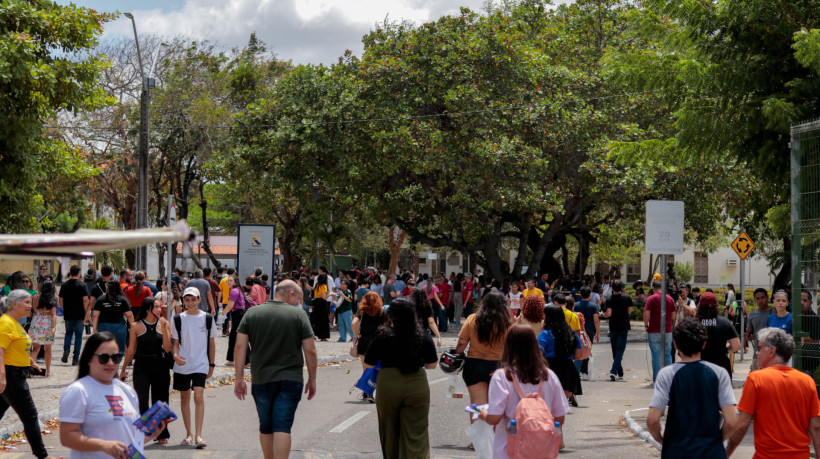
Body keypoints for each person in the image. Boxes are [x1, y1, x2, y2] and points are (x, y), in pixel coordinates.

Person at [232, 280, 317, 459]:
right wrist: (312, 378)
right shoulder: (298, 315)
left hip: (261, 379)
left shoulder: (252, 313)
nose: (298, 303)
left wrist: (239, 378)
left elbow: (240, 347)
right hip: (290, 379)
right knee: (282, 425)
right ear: (290, 294)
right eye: (298, 298)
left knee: (266, 426)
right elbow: (310, 349)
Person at [59, 332, 168, 458]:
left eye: (116, 357)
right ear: (89, 358)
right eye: (104, 358)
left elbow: (130, 439)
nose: (111, 363)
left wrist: (150, 435)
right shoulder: (78, 391)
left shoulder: (128, 391)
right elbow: (67, 437)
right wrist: (103, 446)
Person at [647, 318, 737, 457]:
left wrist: (664, 440)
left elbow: (652, 420)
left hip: (677, 450)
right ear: (704, 344)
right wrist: (716, 441)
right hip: (711, 451)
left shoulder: (667, 374)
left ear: (675, 344)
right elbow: (731, 422)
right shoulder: (719, 373)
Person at [478, 324, 570, 457]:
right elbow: (559, 418)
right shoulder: (548, 375)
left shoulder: (502, 376)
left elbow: (494, 418)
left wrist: (483, 413)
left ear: (508, 346)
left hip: (508, 450)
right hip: (542, 451)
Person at [726, 327, 820, 457]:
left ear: (771, 351)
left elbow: (742, 424)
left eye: (759, 348)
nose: (757, 353)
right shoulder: (807, 381)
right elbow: (816, 426)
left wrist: (725, 453)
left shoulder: (756, 379)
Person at [363, 299, 438, 458]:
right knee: (417, 432)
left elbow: (369, 363)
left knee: (389, 431)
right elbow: (432, 364)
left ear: (391, 315)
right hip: (417, 383)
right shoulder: (422, 335)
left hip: (388, 383)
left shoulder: (382, 334)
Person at [0, 290, 59, 459]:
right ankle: (43, 455)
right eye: (26, 302)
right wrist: (2, 376)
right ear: (14, 304)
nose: (30, 306)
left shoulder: (15, 322)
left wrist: (30, 362)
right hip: (11, 377)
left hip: (16, 373)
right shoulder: (6, 323)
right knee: (31, 416)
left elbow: (17, 347)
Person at [453, 292, 512, 441]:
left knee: (476, 404)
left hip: (474, 364)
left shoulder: (473, 319)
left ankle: (477, 439)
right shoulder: (507, 322)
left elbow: (461, 343)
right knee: (495, 404)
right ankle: (491, 437)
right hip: (498, 366)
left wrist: (457, 356)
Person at [120, 297, 172, 444]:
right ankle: (149, 430)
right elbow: (131, 349)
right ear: (147, 309)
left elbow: (167, 348)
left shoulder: (164, 323)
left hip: (160, 364)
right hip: (141, 364)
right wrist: (123, 368)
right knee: (141, 399)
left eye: (159, 306)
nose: (159, 308)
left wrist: (165, 328)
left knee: (160, 400)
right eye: (156, 306)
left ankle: (162, 433)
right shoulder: (135, 326)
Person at [171, 287, 217, 448]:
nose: (190, 303)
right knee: (184, 398)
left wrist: (211, 364)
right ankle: (188, 433)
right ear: (183, 301)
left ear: (199, 299)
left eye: (193, 299)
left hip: (201, 364)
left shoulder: (207, 318)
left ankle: (199, 435)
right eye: (186, 300)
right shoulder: (177, 319)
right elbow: (175, 344)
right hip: (182, 365)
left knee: (198, 396)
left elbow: (212, 343)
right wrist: (175, 356)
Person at [539, 306, 582, 408]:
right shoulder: (572, 334)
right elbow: (578, 356)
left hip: (548, 369)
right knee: (559, 407)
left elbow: (538, 355)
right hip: (568, 371)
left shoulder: (545, 334)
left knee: (548, 406)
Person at [695, 292, 740, 378]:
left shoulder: (692, 323)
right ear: (716, 306)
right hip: (721, 366)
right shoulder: (725, 322)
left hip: (699, 366)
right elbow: (737, 346)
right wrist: (726, 347)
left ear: (699, 306)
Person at [352, 292, 385, 403]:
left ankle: (367, 393)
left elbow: (353, 323)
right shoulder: (381, 311)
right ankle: (372, 393)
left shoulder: (362, 310)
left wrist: (356, 336)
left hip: (364, 341)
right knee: (377, 369)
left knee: (366, 369)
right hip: (377, 341)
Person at [644, 281, 676, 383]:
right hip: (667, 331)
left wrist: (646, 325)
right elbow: (673, 316)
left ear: (654, 288)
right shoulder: (670, 299)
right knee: (668, 354)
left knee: (656, 355)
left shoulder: (651, 298)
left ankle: (656, 380)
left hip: (653, 330)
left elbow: (646, 314)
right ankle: (669, 379)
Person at [60, 264, 91, 366]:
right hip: (80, 314)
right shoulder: (82, 285)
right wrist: (88, 313)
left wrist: (64, 308)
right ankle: (75, 358)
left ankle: (66, 349)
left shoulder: (64, 285)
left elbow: (61, 299)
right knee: (78, 336)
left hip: (68, 313)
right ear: (79, 273)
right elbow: (85, 300)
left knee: (68, 333)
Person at [601, 280, 631, 381]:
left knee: (615, 351)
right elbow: (629, 311)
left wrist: (602, 315)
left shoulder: (609, 298)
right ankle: (620, 373)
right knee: (620, 350)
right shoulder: (627, 297)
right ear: (621, 288)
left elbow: (608, 314)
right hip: (624, 326)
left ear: (612, 288)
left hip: (613, 326)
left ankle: (614, 371)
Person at [92, 280, 133, 354]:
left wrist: (94, 328)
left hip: (103, 326)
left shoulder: (101, 299)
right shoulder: (122, 299)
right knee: (119, 350)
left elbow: (95, 315)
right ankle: (115, 363)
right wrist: (133, 327)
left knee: (104, 348)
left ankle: (106, 362)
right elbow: (129, 315)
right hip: (119, 326)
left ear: (107, 288)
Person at [30, 280, 58, 376]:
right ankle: (48, 371)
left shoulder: (36, 297)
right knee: (47, 349)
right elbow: (54, 314)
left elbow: (33, 310)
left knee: (35, 348)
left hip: (36, 322)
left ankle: (30, 371)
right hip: (47, 324)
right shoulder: (53, 299)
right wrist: (53, 328)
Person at [574, 286, 600, 381]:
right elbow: (596, 320)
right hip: (589, 331)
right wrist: (598, 333)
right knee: (587, 351)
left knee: (577, 350)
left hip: (577, 330)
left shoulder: (575, 305)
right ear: (590, 295)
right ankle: (584, 372)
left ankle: (578, 370)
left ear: (580, 294)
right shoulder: (593, 306)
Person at [223, 275, 250, 367]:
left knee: (240, 337)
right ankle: (231, 359)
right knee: (233, 337)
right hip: (238, 315)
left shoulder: (234, 291)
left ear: (235, 282)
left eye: (231, 280)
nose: (228, 282)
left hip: (238, 315)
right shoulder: (237, 290)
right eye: (228, 281)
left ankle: (248, 361)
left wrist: (222, 313)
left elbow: (230, 305)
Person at [745, 287, 772, 371]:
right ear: (755, 299)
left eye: (762, 298)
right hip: (757, 355)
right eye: (758, 298)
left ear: (767, 297)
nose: (760, 301)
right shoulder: (752, 314)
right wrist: (748, 336)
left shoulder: (775, 312)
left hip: (773, 355)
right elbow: (749, 333)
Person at [311, 273, 332, 341]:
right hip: (322, 303)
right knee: (324, 320)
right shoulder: (324, 286)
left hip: (316, 302)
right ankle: (323, 336)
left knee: (318, 319)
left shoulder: (317, 285)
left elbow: (314, 295)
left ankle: (318, 334)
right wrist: (330, 294)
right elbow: (324, 297)